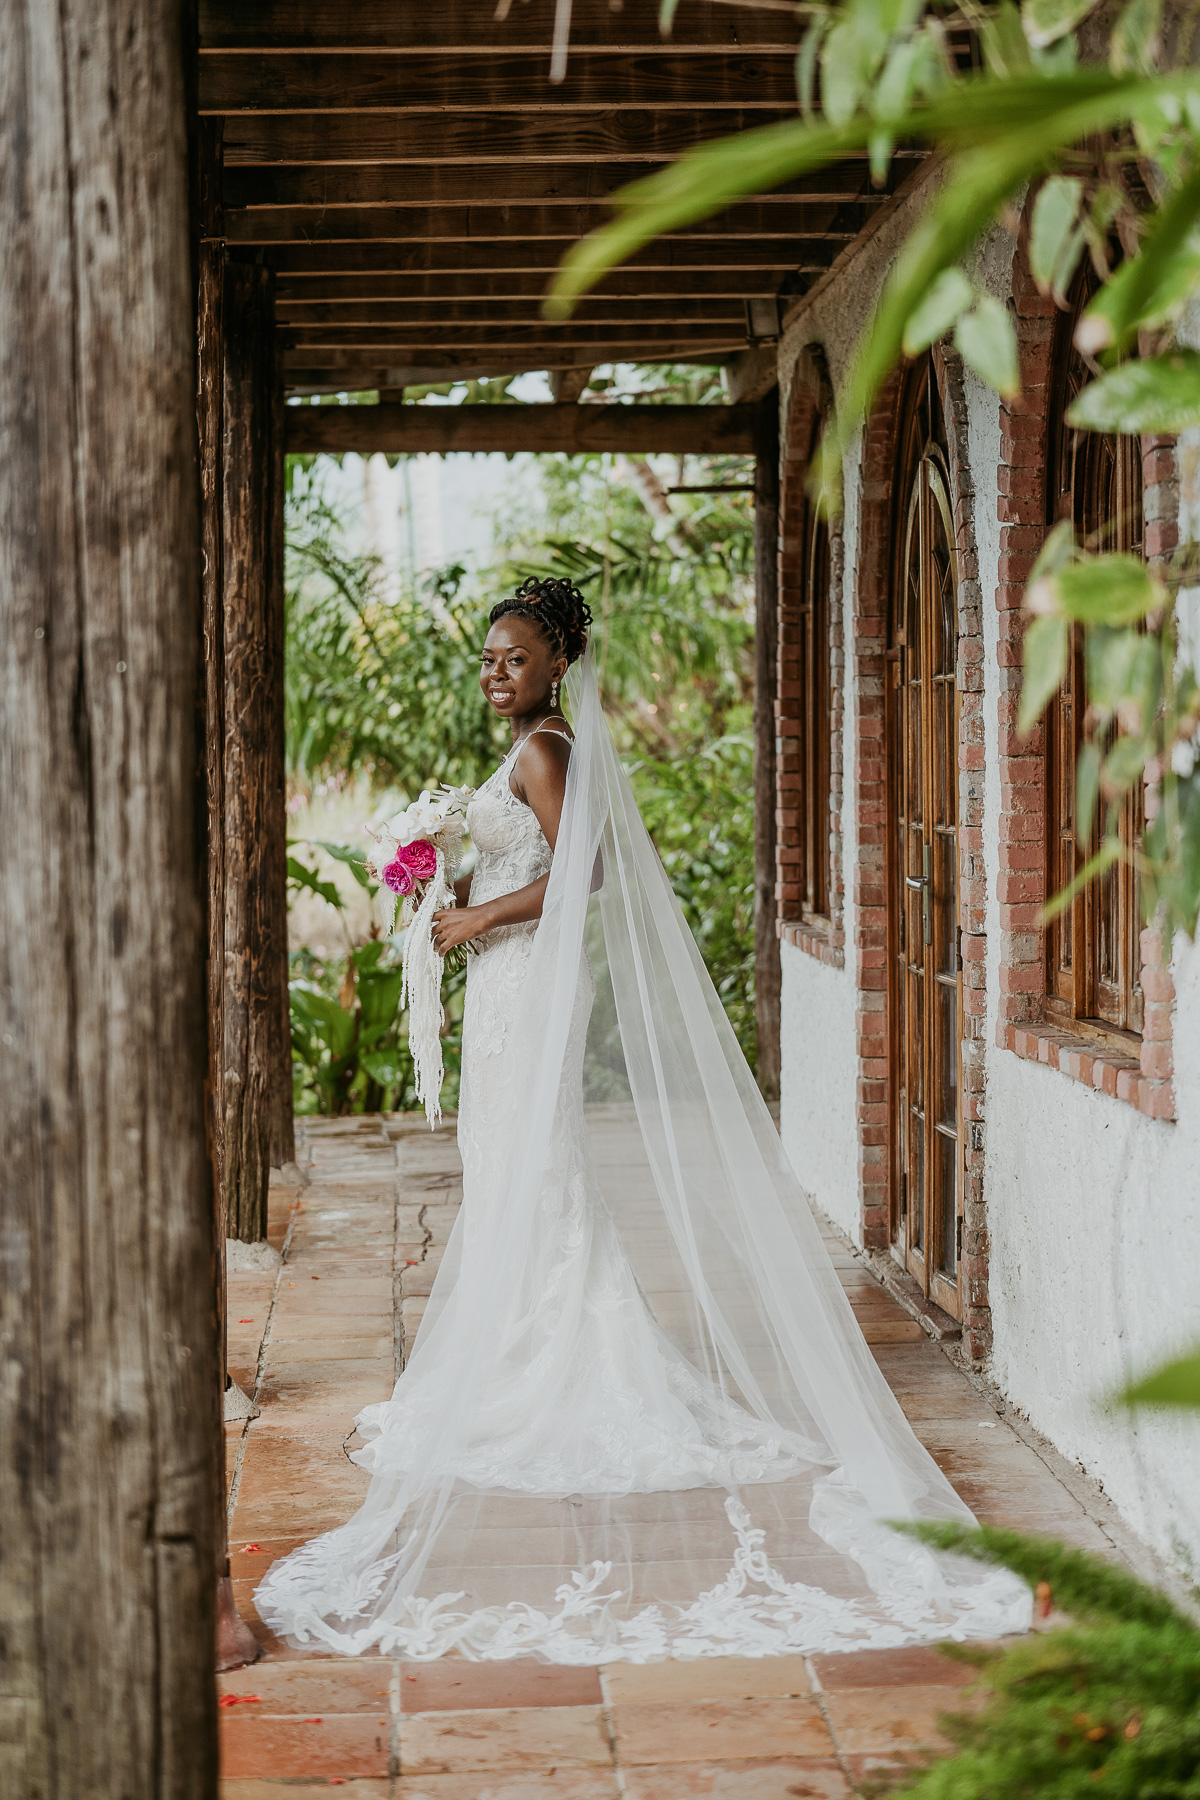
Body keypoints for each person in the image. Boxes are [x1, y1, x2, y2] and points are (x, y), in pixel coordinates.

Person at [256, 576, 1030, 1663]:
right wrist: (434, 875)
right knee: (508, 1161)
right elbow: (527, 860)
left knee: (537, 1166)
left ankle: (555, 1355)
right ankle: (524, 1334)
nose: (497, 671)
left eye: (516, 656)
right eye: (490, 656)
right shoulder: (528, 751)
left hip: (529, 983)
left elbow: (589, 869)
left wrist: (475, 910)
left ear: (559, 662)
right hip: (510, 980)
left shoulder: (547, 750)